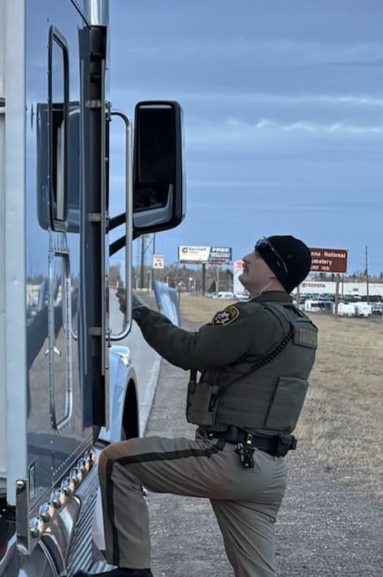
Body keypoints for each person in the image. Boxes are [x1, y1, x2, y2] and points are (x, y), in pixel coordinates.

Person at [75, 235, 317, 577]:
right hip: (268, 470)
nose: (245, 259)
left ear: (275, 273)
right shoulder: (301, 326)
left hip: (229, 459)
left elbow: (189, 351)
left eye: (257, 256)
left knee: (117, 462)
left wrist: (142, 314)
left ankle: (131, 571)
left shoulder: (255, 317)